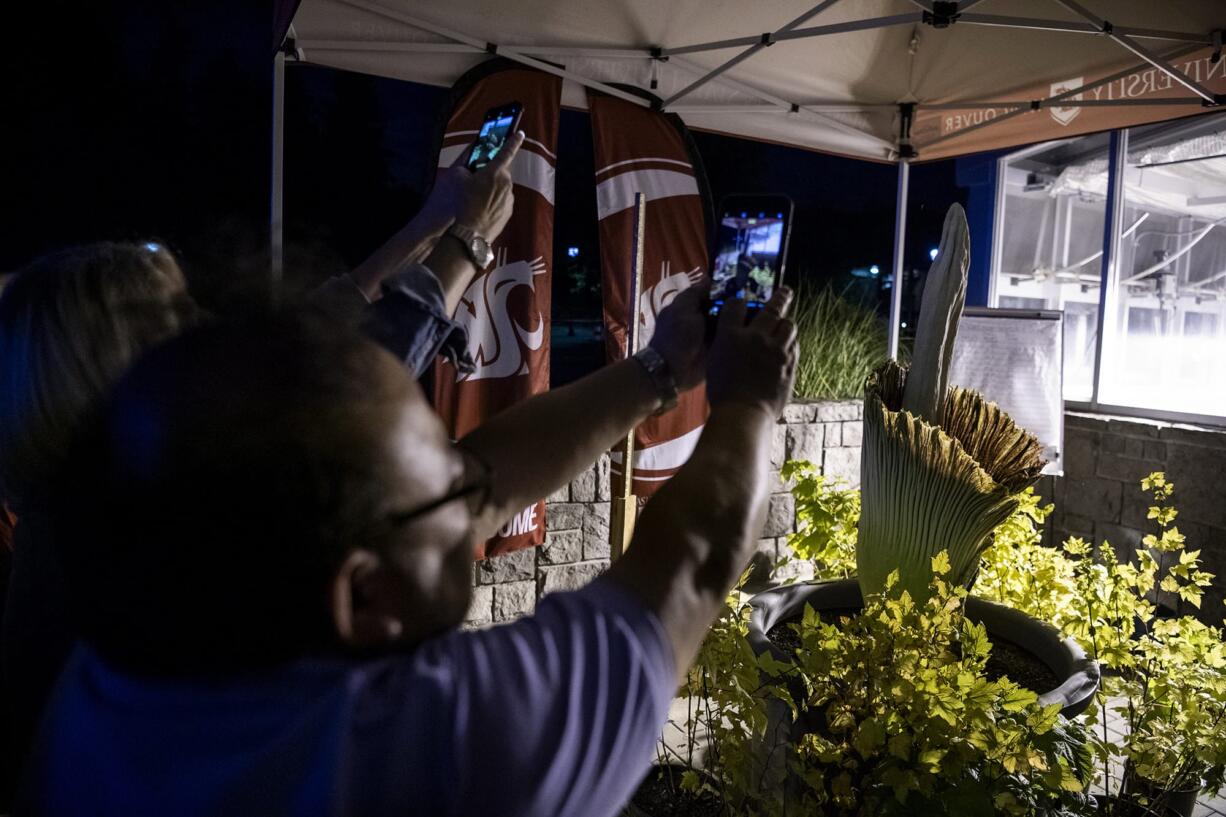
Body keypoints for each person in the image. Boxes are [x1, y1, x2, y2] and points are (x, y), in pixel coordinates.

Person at [21, 287, 795, 816]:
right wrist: (754, 400)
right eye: (447, 483)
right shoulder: (438, 745)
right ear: (364, 598)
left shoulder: (102, 682)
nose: (474, 485)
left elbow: (488, 479)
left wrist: (661, 369)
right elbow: (695, 554)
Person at [0, 132, 521, 794]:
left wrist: (433, 220)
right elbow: (350, 398)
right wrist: (467, 242)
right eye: (177, 317)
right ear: (114, 363)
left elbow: (305, 334)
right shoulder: (164, 517)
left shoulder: (77, 502)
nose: (203, 327)